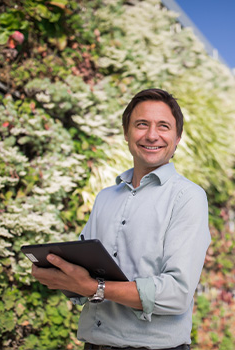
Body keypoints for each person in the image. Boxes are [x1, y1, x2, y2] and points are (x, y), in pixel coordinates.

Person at [32, 88, 211, 350]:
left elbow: (177, 294)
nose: (152, 135)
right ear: (127, 134)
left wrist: (95, 288)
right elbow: (86, 273)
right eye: (141, 124)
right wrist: (63, 276)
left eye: (163, 126)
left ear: (177, 137)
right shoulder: (105, 197)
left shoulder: (188, 197)